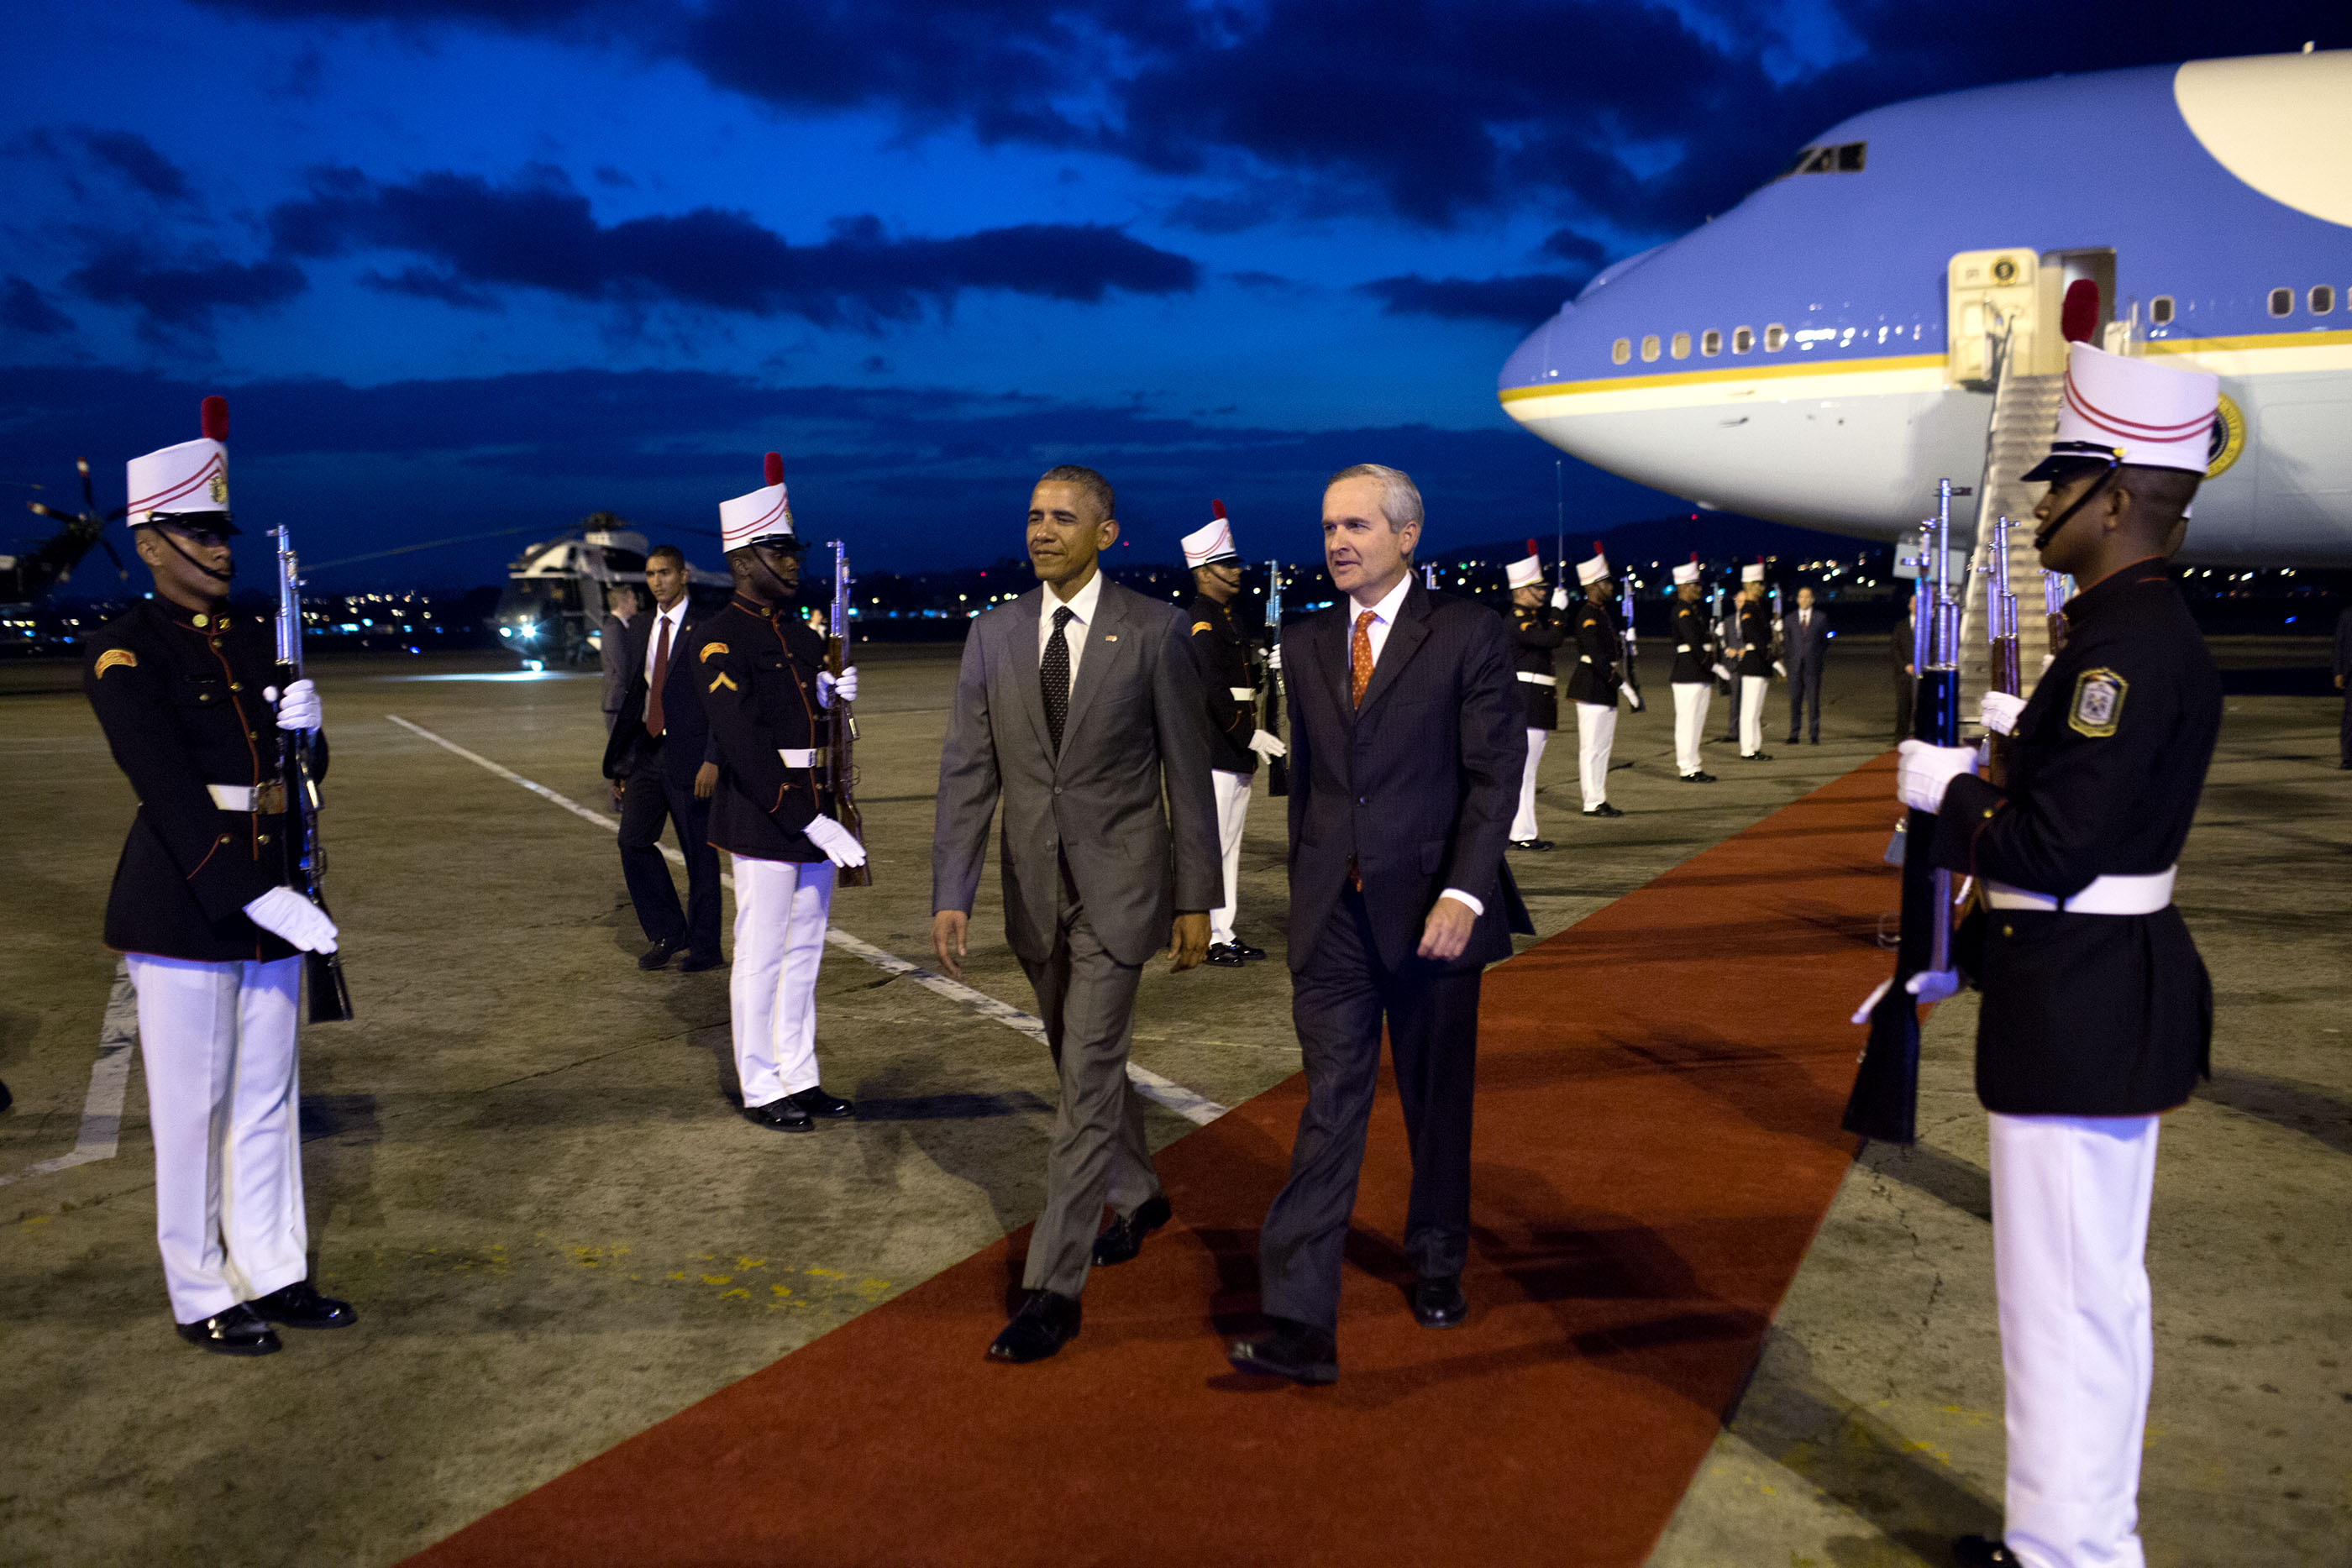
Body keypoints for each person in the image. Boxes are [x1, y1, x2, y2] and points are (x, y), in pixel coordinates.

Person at [1889, 340, 2224, 1568]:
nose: (2039, 504)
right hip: (2085, 997)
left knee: (2067, 1301)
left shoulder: (2125, 653)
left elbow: (2059, 846)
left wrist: (1953, 796)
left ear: (2118, 497)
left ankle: (2073, 1552)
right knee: (2083, 1298)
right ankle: (2074, 1536)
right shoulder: (2119, 634)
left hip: (2082, 1004)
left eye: (2061, 482)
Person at [1226, 463, 1530, 1386]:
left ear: (1408, 534)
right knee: (1328, 1109)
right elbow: (1315, 786)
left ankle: (1437, 1259)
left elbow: (1492, 778)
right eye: (1327, 527)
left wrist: (1464, 893)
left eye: (1356, 525)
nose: (1337, 542)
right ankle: (1300, 1318)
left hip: (1434, 918)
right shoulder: (1307, 639)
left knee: (1437, 1108)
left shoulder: (1470, 633)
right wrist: (1311, 884)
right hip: (1334, 923)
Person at [82, 396, 354, 1356]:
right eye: (197, 532)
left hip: (272, 884)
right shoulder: (125, 649)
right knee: (194, 1108)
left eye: (222, 531)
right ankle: (201, 1288)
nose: (220, 549)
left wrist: (310, 735)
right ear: (152, 542)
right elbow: (165, 789)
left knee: (268, 1098)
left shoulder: (251, 639)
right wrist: (250, 889)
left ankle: (272, 1270)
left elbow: (299, 779)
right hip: (189, 899)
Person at [932, 464, 1219, 1364]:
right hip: (1031, 891)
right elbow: (968, 772)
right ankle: (1139, 1191)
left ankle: (1052, 1287)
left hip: (1120, 891)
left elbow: (1186, 774)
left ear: (1106, 533)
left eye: (1062, 517)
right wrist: (953, 888)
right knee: (1074, 1057)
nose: (1042, 530)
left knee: (1087, 1075)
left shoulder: (1155, 630)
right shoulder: (994, 635)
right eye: (1033, 516)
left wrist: (1194, 898)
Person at [694, 454, 866, 1134]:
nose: (794, 564)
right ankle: (760, 1083)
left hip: (815, 803)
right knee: (762, 954)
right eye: (779, 553)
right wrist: (810, 821)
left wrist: (833, 697)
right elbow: (743, 744)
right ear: (743, 561)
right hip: (765, 813)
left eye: (793, 552)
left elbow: (808, 722)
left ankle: (800, 1071)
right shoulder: (718, 639)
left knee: (805, 952)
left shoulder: (796, 632)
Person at [600, 547, 723, 973]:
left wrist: (713, 758)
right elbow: (637, 697)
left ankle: (706, 947)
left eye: (665, 573)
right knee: (632, 841)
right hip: (648, 753)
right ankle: (669, 931)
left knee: (698, 855)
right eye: (650, 574)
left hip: (691, 756)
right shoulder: (640, 628)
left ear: (684, 575)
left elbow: (720, 701)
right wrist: (622, 762)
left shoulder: (705, 627)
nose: (657, 581)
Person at [1183, 500, 1284, 966]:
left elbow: (1242, 682)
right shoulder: (1202, 620)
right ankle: (1206, 935)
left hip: (1233, 748)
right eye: (1226, 565)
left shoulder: (1228, 618)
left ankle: (1223, 930)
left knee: (1230, 846)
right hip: (1220, 746)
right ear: (1204, 572)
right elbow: (1212, 691)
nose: (1236, 572)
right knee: (1213, 847)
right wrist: (1248, 735)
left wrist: (1268, 665)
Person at [1504, 541, 1565, 847]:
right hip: (1526, 704)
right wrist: (1558, 612)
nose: (1543, 593)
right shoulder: (1517, 622)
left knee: (1527, 773)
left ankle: (1520, 831)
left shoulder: (1530, 620)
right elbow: (1552, 639)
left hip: (1535, 703)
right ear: (1520, 591)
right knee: (1525, 774)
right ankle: (1522, 833)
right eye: (1537, 589)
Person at [1563, 543, 1625, 817]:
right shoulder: (1587, 615)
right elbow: (1596, 655)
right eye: (1606, 582)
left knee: (1603, 747)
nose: (1610, 586)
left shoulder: (1600, 614)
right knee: (1591, 748)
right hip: (1592, 685)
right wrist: (1619, 681)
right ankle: (1591, 800)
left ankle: (1599, 796)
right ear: (1593, 585)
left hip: (1602, 685)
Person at [1667, 553, 1720, 783]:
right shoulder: (1682, 611)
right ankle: (1686, 767)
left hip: (1698, 672)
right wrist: (1713, 665)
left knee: (1697, 722)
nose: (1699, 589)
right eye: (1695, 585)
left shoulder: (1693, 610)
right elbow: (1694, 643)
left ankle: (1694, 765)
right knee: (1687, 723)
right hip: (1688, 672)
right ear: (1684, 587)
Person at [1783, 585, 1830, 745]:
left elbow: (1825, 641)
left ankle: (1814, 733)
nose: (1804, 600)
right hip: (1795, 666)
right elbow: (1787, 643)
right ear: (1797, 599)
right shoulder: (1789, 619)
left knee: (1813, 701)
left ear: (1812, 599)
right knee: (1795, 700)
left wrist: (1816, 656)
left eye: (1807, 597)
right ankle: (1794, 733)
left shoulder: (1820, 618)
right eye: (1801, 597)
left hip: (1813, 666)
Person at [1736, 563, 1775, 759]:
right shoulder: (1748, 609)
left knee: (1756, 710)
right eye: (1759, 584)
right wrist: (1771, 657)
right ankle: (1748, 749)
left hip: (1759, 663)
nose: (1762, 588)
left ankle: (1754, 747)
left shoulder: (1757, 608)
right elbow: (1754, 637)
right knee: (1749, 710)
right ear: (1751, 585)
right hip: (1754, 661)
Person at [598, 583, 641, 734]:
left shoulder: (621, 626)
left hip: (620, 702)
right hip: (618, 702)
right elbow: (623, 667)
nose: (636, 602)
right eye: (633, 599)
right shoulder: (614, 628)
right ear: (623, 602)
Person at [1892, 599, 1918, 744]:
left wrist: (1921, 665)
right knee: (1904, 706)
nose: (1916, 605)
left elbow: (1934, 647)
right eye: (1914, 603)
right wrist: (1905, 666)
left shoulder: (1928, 625)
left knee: (1921, 706)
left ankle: (1921, 736)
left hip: (1922, 672)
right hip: (1904, 673)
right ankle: (1901, 736)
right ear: (1909, 606)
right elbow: (1895, 649)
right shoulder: (1901, 626)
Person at [2334, 605, 2351, 770]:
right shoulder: (2347, 614)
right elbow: (2339, 644)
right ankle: (2348, 757)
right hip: (2350, 674)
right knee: (2350, 716)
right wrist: (2338, 672)